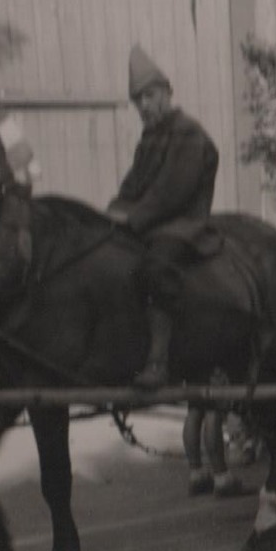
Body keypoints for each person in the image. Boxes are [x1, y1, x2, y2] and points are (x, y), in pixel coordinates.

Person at [106, 44, 219, 389]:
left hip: (182, 226)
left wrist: (132, 218)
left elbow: (171, 193)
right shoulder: (150, 139)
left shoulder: (188, 135)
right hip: (152, 224)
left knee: (156, 267)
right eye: (138, 100)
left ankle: (158, 362)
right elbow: (132, 187)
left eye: (150, 96)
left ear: (167, 92)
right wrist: (111, 213)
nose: (144, 105)